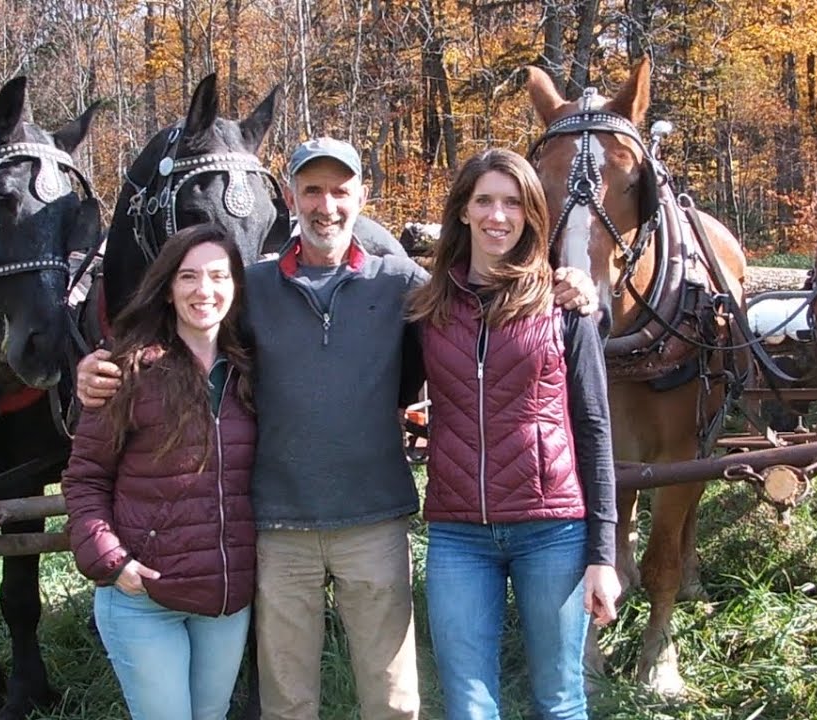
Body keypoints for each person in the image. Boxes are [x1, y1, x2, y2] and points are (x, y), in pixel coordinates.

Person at [76, 137, 599, 720]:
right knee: (287, 704)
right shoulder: (252, 287)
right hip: (279, 526)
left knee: (393, 702)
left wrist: (571, 284)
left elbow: (485, 311)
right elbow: (189, 325)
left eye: (340, 191)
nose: (326, 206)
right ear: (290, 199)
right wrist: (103, 363)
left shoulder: (402, 283)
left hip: (374, 521)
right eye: (312, 191)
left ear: (361, 197)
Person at [408, 148, 621, 720]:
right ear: (463, 211)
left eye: (512, 203)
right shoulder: (430, 310)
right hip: (458, 534)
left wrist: (602, 554)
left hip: (551, 530)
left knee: (560, 699)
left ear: (531, 214)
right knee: (468, 705)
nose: (497, 216)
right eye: (484, 201)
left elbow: (595, 428)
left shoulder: (564, 305)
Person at [62, 223, 258, 720]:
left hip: (223, 597)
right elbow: (85, 478)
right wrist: (111, 561)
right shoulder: (127, 371)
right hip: (144, 596)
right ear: (168, 289)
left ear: (236, 286)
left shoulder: (252, 372)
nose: (204, 290)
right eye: (188, 276)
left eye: (218, 276)